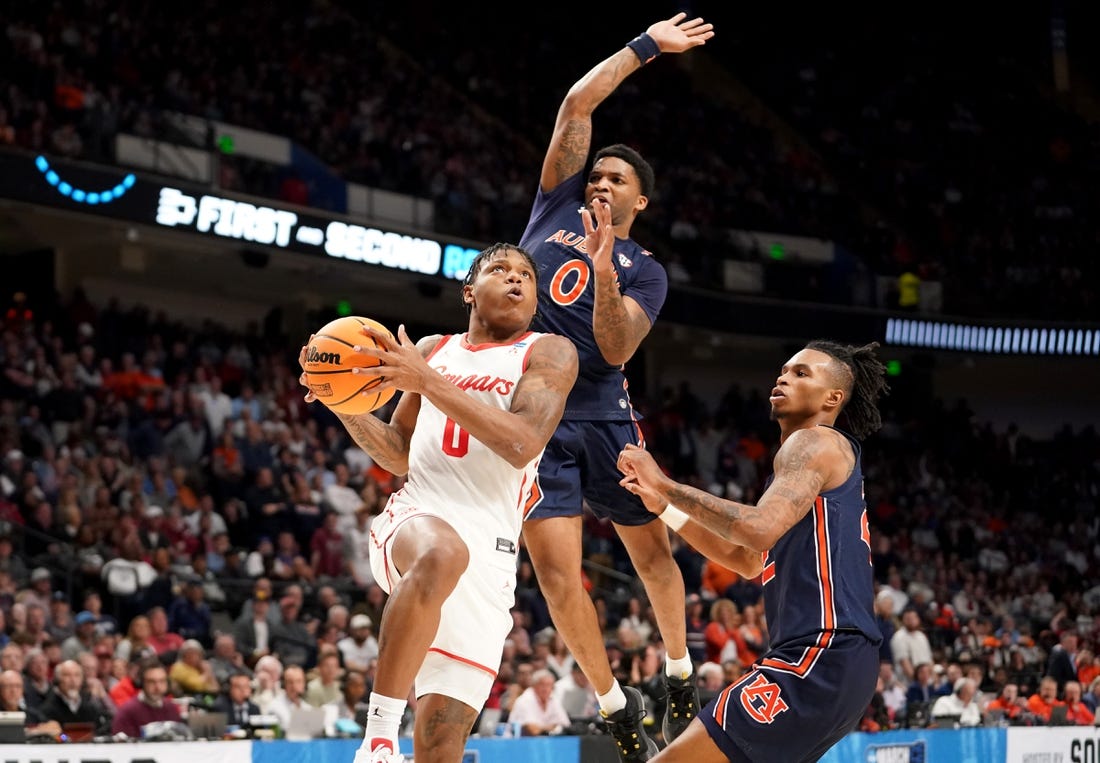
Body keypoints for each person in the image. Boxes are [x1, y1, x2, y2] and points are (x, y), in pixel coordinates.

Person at [517, 12, 714, 759]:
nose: (601, 182)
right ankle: (613, 705)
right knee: (557, 578)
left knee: (652, 557)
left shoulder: (647, 271)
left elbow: (615, 345)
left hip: (604, 418)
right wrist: (646, 47)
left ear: (639, 204)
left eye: (617, 180)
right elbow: (577, 105)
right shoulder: (553, 205)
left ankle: (678, 671)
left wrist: (603, 266)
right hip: (535, 419)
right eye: (596, 174)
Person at [299, 242, 578, 763]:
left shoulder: (549, 352)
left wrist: (428, 382)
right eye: (500, 269)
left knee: (441, 745)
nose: (516, 279)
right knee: (442, 553)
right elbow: (398, 454)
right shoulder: (431, 349)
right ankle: (378, 740)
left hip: (491, 559)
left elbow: (523, 443)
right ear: (469, 291)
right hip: (418, 517)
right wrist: (342, 402)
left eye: (526, 275)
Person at [616, 340, 889, 762]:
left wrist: (664, 483)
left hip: (820, 651)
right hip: (843, 665)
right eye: (784, 370)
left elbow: (757, 530)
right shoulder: (806, 466)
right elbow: (746, 560)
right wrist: (664, 507)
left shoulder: (813, 442)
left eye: (801, 373)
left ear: (833, 398)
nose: (784, 377)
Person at [111, 659, 182, 738]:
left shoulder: (171, 708)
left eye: (162, 681)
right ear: (141, 683)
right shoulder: (128, 711)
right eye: (151, 682)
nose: (158, 687)